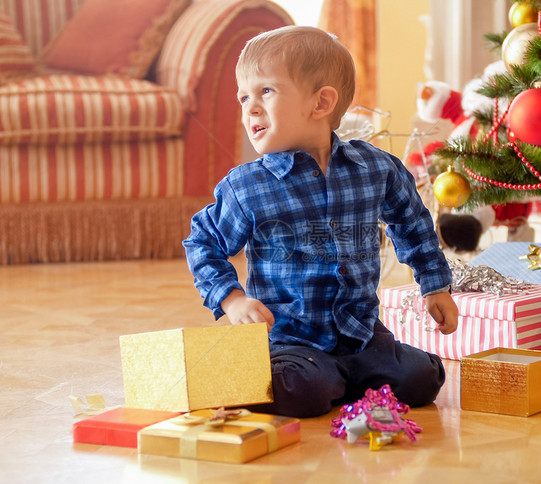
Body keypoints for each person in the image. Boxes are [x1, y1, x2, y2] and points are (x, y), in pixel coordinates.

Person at [183, 25, 458, 418]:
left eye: (266, 91)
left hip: (361, 335)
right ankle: (297, 377)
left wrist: (435, 286)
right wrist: (232, 298)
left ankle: (342, 377)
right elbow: (203, 243)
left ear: (321, 102)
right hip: (292, 340)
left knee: (422, 380)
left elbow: (411, 222)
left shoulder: (376, 169)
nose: (250, 107)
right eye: (244, 96)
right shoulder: (247, 186)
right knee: (299, 388)